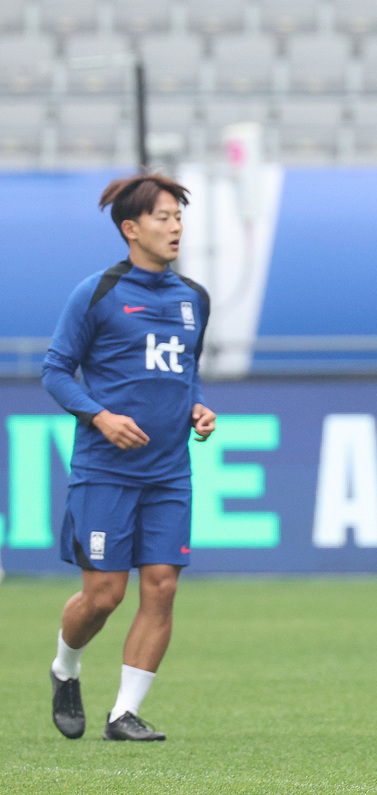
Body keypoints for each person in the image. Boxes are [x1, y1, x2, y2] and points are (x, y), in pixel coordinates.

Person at [42, 173, 216, 742]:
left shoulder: (194, 299)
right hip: (105, 471)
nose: (175, 227)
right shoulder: (97, 292)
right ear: (131, 228)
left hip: (169, 472)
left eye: (179, 217)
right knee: (104, 596)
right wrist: (99, 416)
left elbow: (182, 373)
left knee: (162, 584)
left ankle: (124, 713)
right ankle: (65, 667)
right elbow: (54, 370)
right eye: (163, 217)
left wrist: (196, 408)